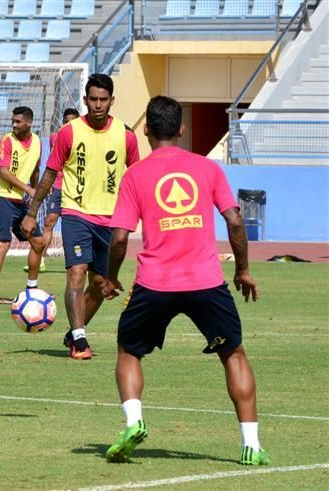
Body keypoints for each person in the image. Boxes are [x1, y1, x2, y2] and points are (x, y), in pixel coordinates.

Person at [100, 95, 269, 466]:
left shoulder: (135, 174)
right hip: (206, 282)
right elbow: (236, 222)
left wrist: (111, 279)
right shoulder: (206, 169)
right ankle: (252, 445)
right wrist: (242, 270)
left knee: (129, 351)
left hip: (154, 283)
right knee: (233, 354)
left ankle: (134, 421)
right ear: (181, 129)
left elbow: (119, 238)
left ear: (145, 131)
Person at [20, 74, 139, 359]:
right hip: (76, 213)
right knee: (77, 272)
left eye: (103, 100)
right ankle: (80, 340)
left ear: (112, 101)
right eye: (93, 100)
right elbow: (50, 173)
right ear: (85, 100)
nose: (98, 105)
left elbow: (137, 178)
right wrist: (32, 212)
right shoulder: (69, 132)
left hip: (111, 219)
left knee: (101, 286)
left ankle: (74, 332)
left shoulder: (126, 136)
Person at [0, 106, 46, 305]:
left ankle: (32, 289)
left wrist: (34, 193)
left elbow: (36, 169)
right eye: (13, 121)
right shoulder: (6, 141)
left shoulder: (37, 142)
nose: (14, 125)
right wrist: (29, 189)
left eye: (18, 122)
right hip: (1, 198)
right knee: (3, 243)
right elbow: (4, 172)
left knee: (39, 242)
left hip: (21, 203)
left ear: (29, 122)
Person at [23, 107, 80, 274]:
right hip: (58, 187)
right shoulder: (55, 137)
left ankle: (76, 261)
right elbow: (53, 163)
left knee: (75, 227)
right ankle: (40, 260)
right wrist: (49, 184)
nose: (68, 124)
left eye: (72, 121)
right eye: (65, 121)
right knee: (49, 223)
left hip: (76, 189)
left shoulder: (82, 137)